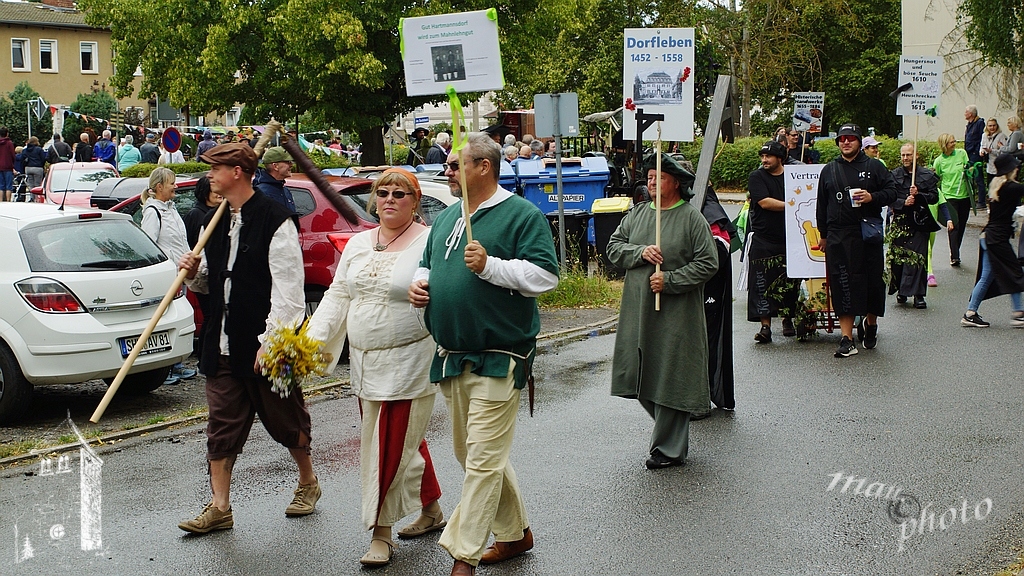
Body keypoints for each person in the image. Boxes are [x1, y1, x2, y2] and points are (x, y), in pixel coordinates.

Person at [408, 133, 558, 576]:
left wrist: (490, 266)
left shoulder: (521, 215)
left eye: (456, 165)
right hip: (452, 353)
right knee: (472, 454)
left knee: (482, 459)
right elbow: (429, 264)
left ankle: (462, 554)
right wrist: (420, 285)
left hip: (501, 353)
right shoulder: (448, 217)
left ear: (484, 168)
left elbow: (546, 275)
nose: (448, 172)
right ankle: (514, 534)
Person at [176, 143, 320, 534]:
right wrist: (191, 271)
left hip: (264, 345)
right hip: (221, 344)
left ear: (237, 171)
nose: (210, 176)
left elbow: (290, 289)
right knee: (221, 426)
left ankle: (308, 481)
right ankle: (220, 507)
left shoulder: (276, 218)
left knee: (285, 418)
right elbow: (209, 282)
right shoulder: (216, 218)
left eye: (216, 168)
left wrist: (271, 342)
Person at [307, 169, 445, 567]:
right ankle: (431, 507)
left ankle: (380, 533)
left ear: (415, 200)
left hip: (409, 360)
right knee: (404, 441)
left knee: (384, 446)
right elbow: (337, 295)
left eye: (399, 194)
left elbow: (447, 290)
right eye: (382, 193)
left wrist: (429, 294)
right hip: (365, 363)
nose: (389, 200)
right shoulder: (359, 244)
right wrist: (309, 343)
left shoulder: (430, 242)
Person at [607, 151, 718, 470]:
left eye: (660, 178)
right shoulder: (638, 214)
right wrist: (640, 252)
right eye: (650, 178)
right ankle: (673, 423)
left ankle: (668, 447)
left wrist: (670, 280)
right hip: (638, 308)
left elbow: (708, 263)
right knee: (638, 374)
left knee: (671, 374)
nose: (652, 182)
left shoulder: (691, 218)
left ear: (677, 184)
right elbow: (614, 248)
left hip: (677, 312)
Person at [815, 124, 897, 358]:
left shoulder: (874, 167)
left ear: (860, 142)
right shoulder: (829, 170)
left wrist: (872, 197)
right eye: (842, 139)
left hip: (866, 234)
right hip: (839, 236)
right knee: (842, 285)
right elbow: (822, 204)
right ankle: (846, 338)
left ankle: (870, 324)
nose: (846, 142)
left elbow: (892, 192)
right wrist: (823, 234)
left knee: (872, 282)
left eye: (851, 138)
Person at [674, 156, 735, 414]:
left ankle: (699, 398)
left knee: (702, 341)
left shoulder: (706, 207)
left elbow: (720, 250)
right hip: (677, 291)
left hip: (705, 289)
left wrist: (686, 264)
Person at [140, 167, 198, 382]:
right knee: (164, 321)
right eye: (172, 183)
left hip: (179, 273)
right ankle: (166, 368)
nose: (175, 186)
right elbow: (149, 245)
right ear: (159, 187)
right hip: (168, 276)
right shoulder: (153, 212)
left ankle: (176, 364)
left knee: (175, 319)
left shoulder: (170, 209)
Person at [746, 141, 800, 343]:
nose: (764, 160)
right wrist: (792, 206)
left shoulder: (793, 177)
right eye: (762, 156)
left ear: (780, 158)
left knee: (789, 281)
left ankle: (788, 319)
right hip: (763, 239)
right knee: (761, 282)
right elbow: (764, 202)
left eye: (768, 156)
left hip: (790, 237)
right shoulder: (757, 176)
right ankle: (765, 326)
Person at [961, 154, 1024, 327]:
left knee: (987, 276)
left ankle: (970, 313)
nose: (1017, 168)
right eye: (1015, 166)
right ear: (1009, 169)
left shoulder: (997, 185)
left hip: (988, 236)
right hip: (996, 238)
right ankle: (1018, 313)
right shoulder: (1011, 187)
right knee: (1015, 271)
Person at [888, 143, 939, 308]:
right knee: (900, 258)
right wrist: (904, 202)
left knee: (918, 257)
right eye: (903, 155)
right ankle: (902, 291)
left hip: (919, 221)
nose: (905, 158)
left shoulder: (926, 175)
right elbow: (889, 197)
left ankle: (918, 295)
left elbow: (934, 197)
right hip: (900, 221)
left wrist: (919, 195)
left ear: (915, 156)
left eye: (908, 155)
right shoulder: (894, 175)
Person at [932, 133, 971, 268]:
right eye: (951, 143)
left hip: (964, 195)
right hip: (949, 196)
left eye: (954, 141)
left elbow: (969, 168)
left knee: (962, 226)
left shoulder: (961, 153)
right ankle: (955, 256)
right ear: (944, 145)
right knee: (954, 226)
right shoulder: (939, 161)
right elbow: (935, 179)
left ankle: (956, 250)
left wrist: (970, 170)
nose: (954, 144)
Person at [253, 146, 296, 213]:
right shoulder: (262, 194)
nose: (291, 165)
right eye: (288, 162)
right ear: (275, 166)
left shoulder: (284, 190)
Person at [964, 105, 987, 209]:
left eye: (966, 112)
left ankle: (982, 201)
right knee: (970, 178)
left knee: (978, 178)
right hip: (969, 153)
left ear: (971, 114)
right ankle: (972, 200)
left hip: (975, 154)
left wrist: (976, 151)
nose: (964, 114)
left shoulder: (979, 123)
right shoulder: (969, 124)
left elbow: (981, 138)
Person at [979, 118, 1008, 186]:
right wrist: (981, 151)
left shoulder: (1001, 136)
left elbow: (1004, 152)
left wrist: (991, 151)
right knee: (990, 186)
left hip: (998, 166)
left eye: (994, 125)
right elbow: (982, 145)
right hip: (989, 165)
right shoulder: (984, 135)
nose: (992, 128)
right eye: (990, 126)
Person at [0, 127, 13, 201]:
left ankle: (0, 201)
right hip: (8, 166)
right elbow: (12, 155)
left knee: (1, 186)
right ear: (7, 133)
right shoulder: (9, 143)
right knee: (8, 186)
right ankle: (8, 201)